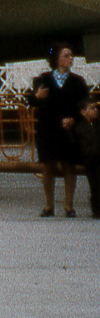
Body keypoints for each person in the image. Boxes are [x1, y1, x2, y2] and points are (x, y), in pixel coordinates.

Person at [26, 44, 88, 217]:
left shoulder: (78, 81)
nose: (70, 59)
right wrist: (37, 97)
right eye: (66, 55)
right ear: (58, 59)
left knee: (69, 165)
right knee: (48, 165)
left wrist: (74, 119)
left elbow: (85, 105)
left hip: (69, 128)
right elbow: (31, 101)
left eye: (71, 55)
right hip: (48, 128)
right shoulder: (43, 80)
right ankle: (49, 205)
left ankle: (69, 205)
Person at [73, 99, 100, 219]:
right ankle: (97, 209)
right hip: (90, 158)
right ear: (83, 112)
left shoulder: (98, 124)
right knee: (96, 182)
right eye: (92, 108)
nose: (96, 111)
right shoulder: (80, 127)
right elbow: (83, 146)